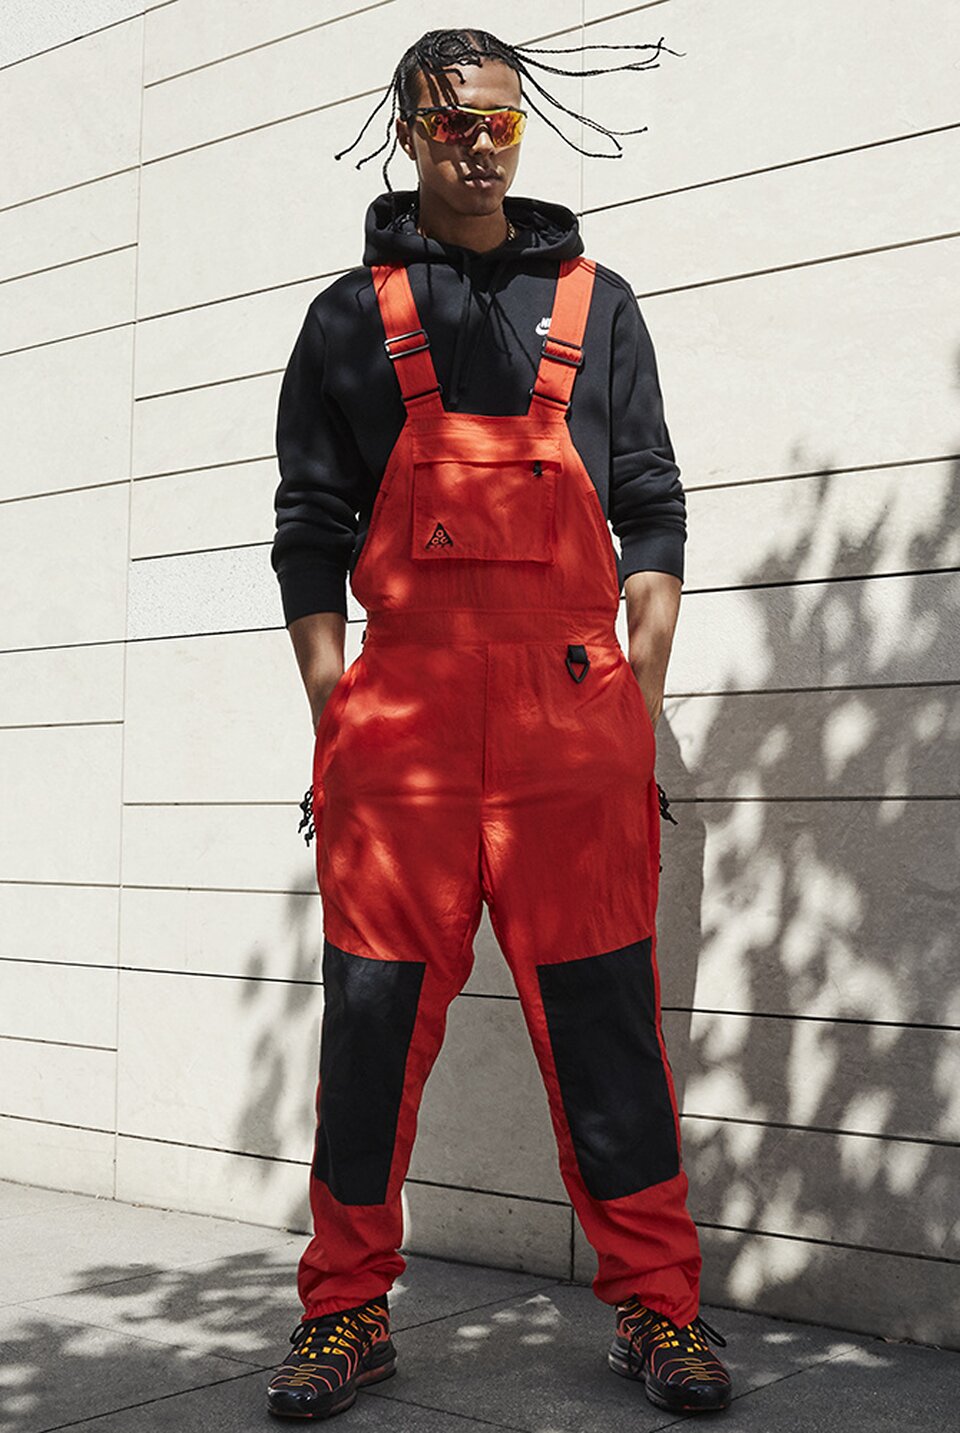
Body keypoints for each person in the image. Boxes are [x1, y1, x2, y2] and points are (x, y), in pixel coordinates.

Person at [265, 27, 732, 1421]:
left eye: (501, 121)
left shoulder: (600, 303)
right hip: (400, 725)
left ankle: (659, 1309)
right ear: (407, 131)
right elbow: (309, 529)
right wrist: (337, 714)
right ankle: (344, 1312)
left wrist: (636, 706)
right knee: (368, 1029)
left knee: (606, 1029)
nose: (479, 142)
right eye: (451, 122)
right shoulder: (346, 320)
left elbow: (651, 506)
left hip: (570, 721)